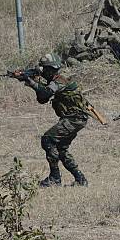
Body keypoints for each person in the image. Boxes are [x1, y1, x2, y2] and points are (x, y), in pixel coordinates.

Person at [24, 53, 89, 187]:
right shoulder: (54, 81)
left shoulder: (60, 81)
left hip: (74, 119)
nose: (46, 72)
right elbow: (42, 99)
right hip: (74, 119)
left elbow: (47, 93)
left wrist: (31, 82)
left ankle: (55, 178)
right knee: (61, 148)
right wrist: (32, 81)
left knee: (47, 140)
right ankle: (80, 179)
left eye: (47, 70)